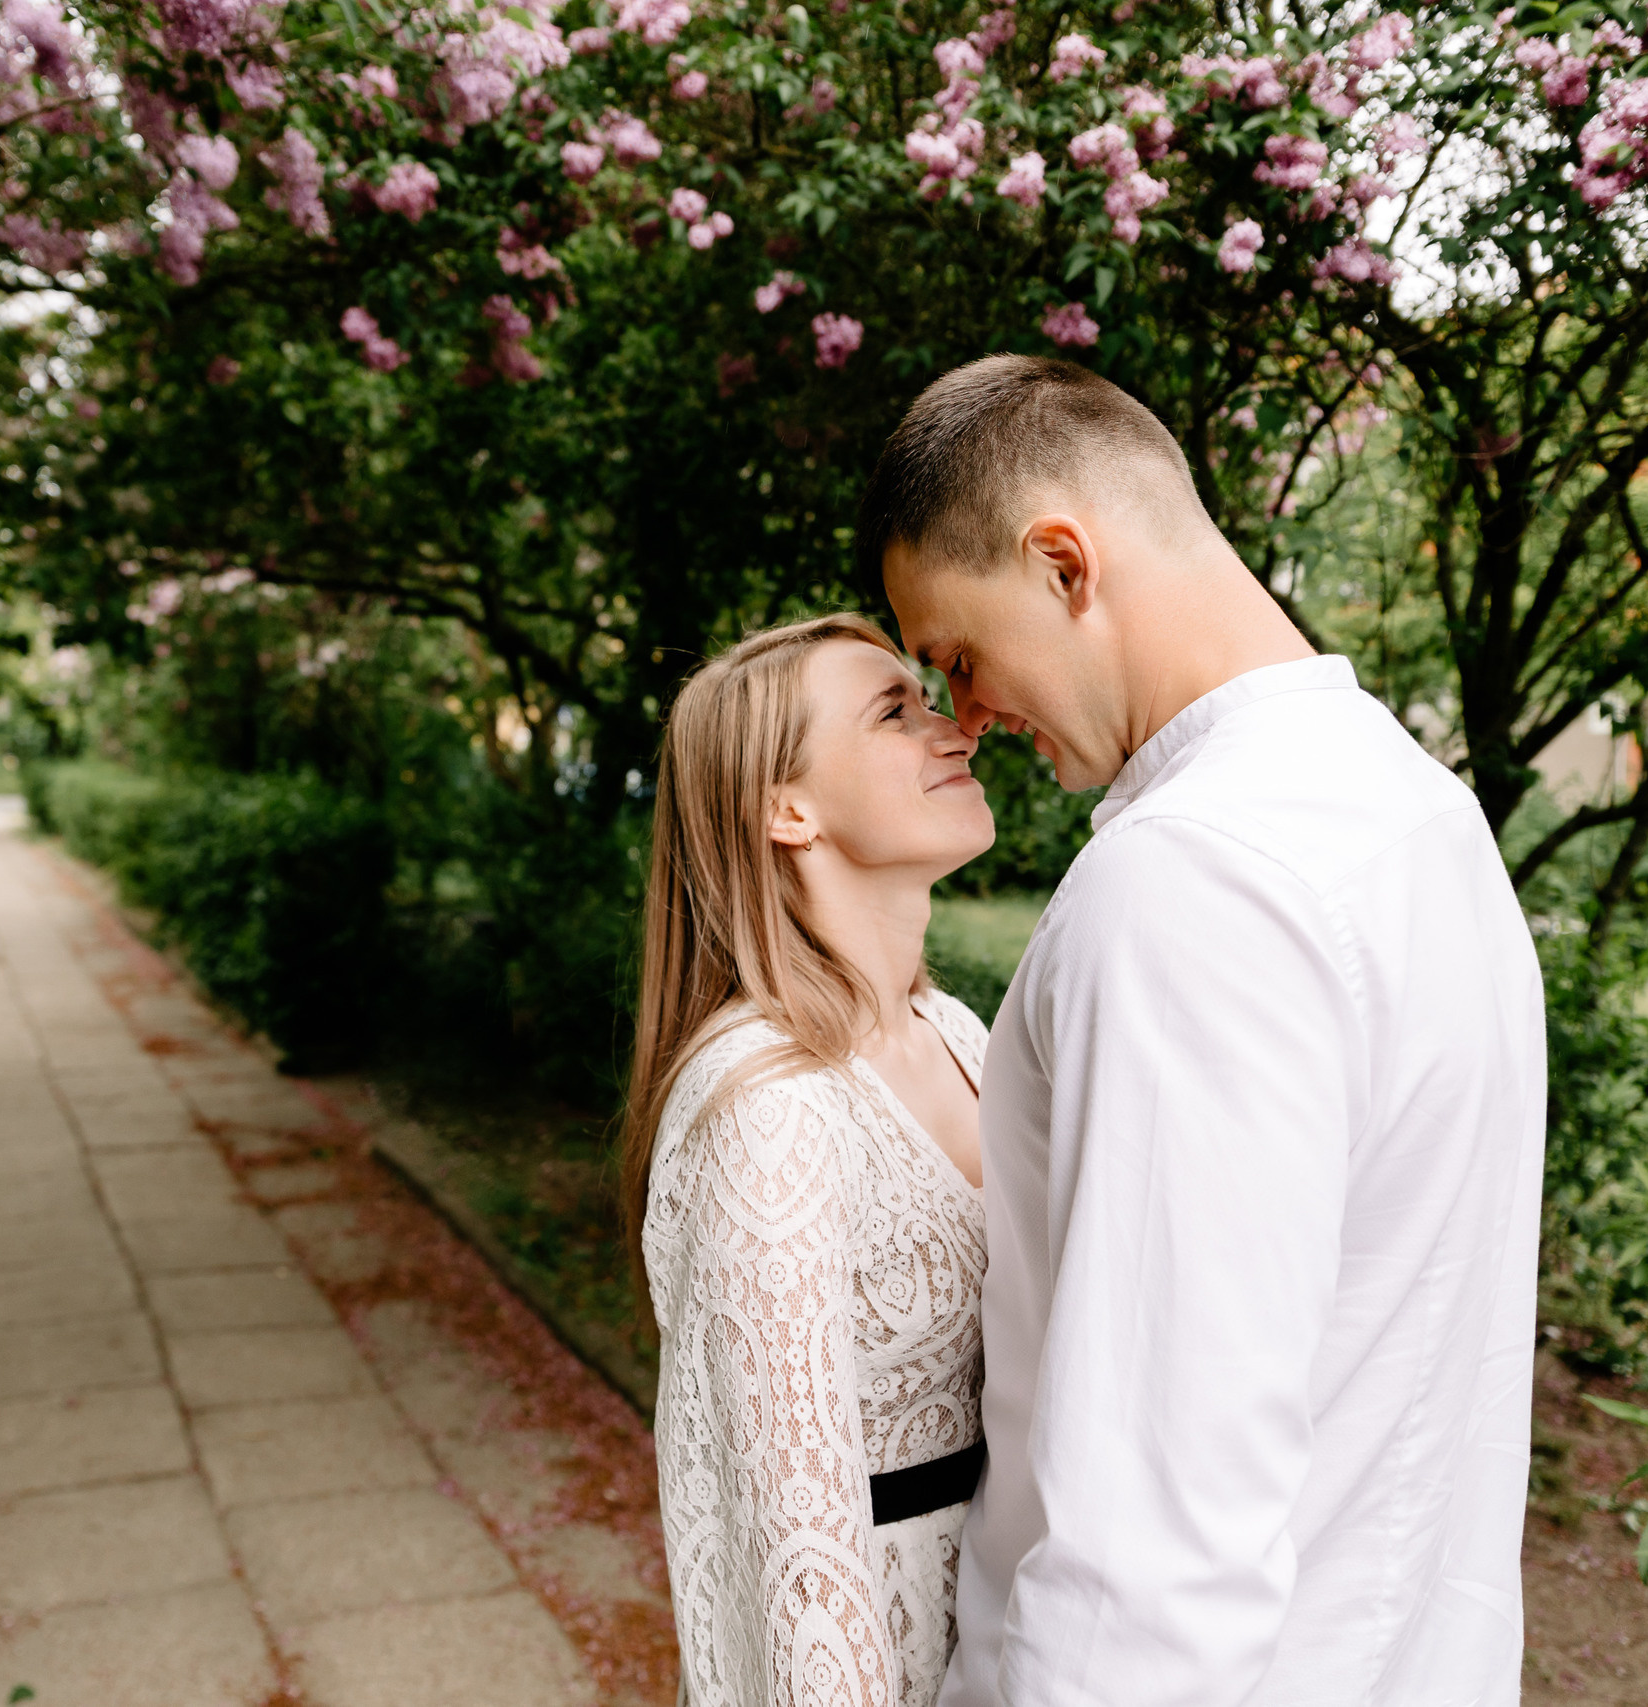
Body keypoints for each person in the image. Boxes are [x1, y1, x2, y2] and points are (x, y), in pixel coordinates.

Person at [859, 354, 1546, 1707]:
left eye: (958, 657)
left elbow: (1148, 1566)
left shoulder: (1187, 883)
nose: (968, 717)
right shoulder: (1424, 816)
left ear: (1063, 565)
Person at [625, 612, 1002, 1705]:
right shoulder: (769, 1106)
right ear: (785, 809)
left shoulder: (961, 1034)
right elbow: (795, 1549)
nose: (954, 730)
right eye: (894, 712)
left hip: (1010, 1631)